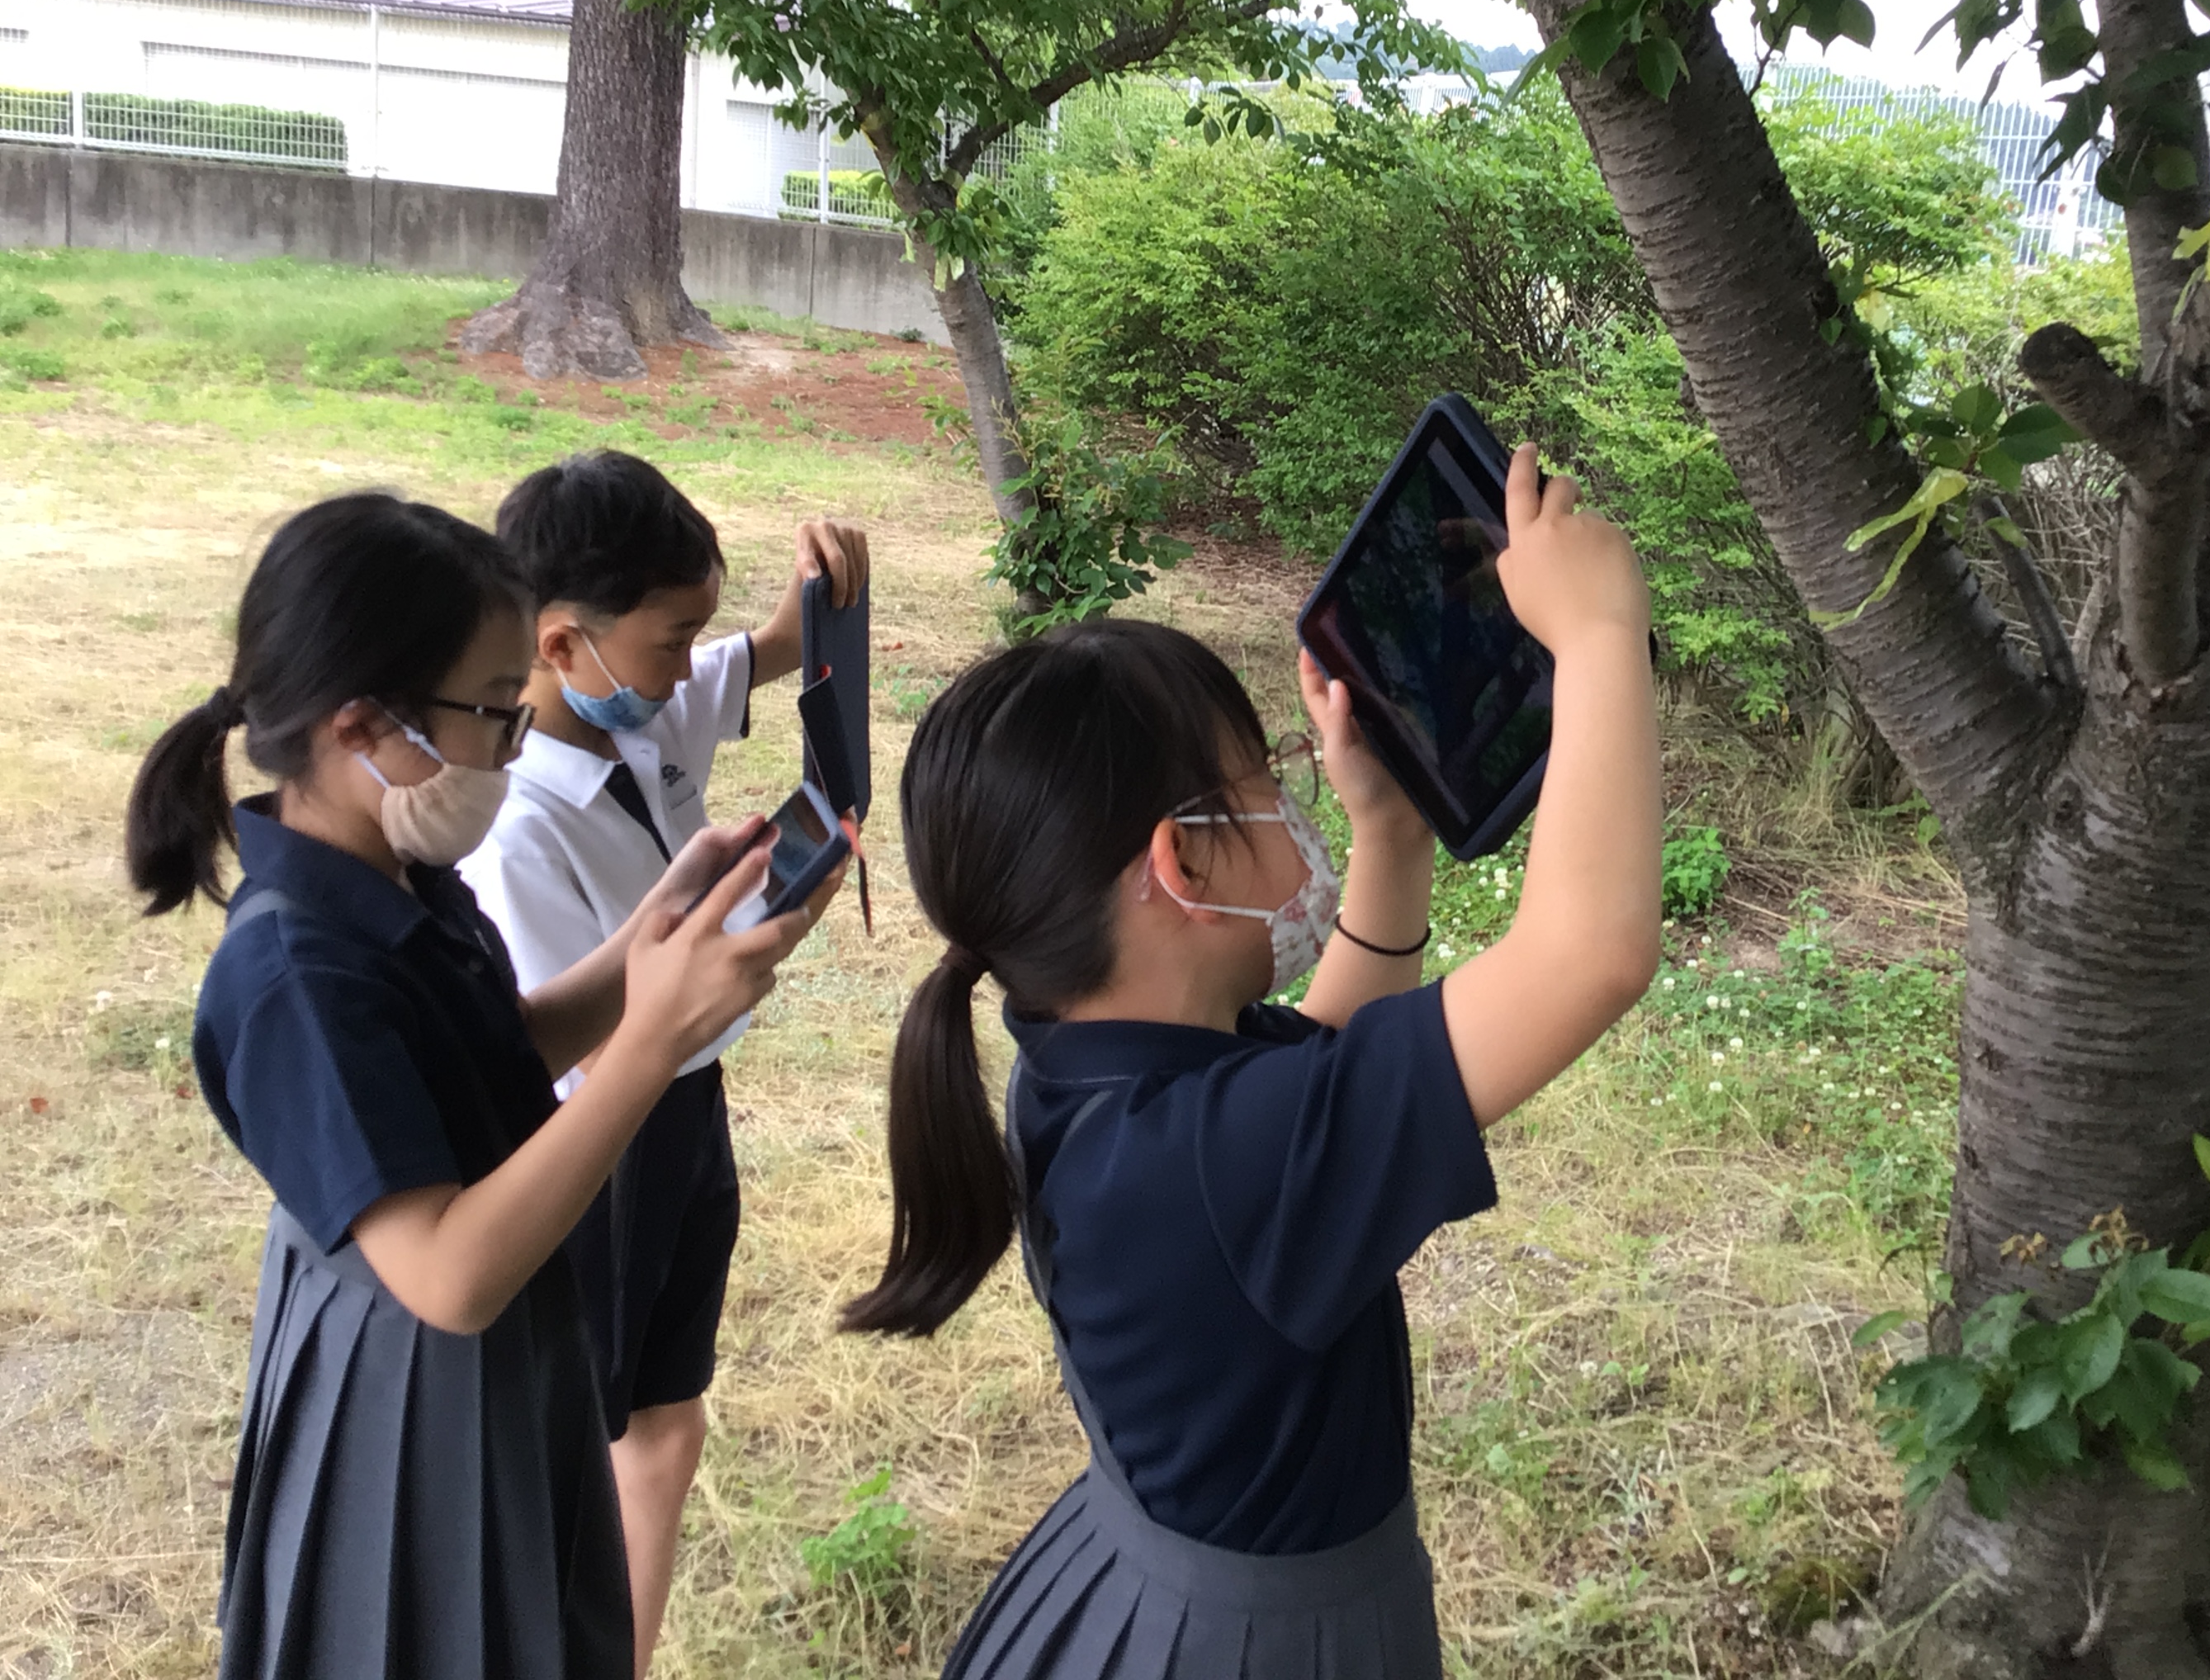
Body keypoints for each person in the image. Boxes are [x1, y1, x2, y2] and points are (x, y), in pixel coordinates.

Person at [846, 446, 1661, 1677]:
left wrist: (1386, 840)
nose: (1294, 804)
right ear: (1181, 862)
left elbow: (1317, 1080)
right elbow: (1589, 953)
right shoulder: (1222, 1160)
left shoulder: (1084, 1069)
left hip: (1134, 1587)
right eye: (1265, 784)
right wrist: (1599, 635)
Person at [125, 490, 822, 1680]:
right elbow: (447, 1274)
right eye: (497, 715)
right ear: (363, 729)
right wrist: (653, 1042)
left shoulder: (400, 874)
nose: (514, 744)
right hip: (410, 1390)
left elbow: (500, 1053)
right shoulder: (295, 972)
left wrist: (655, 933)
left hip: (497, 1362)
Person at [458, 449, 866, 1677]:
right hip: (602, 1156)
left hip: (689, 1117)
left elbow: (779, 645)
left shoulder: (637, 698)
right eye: (668, 640)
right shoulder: (514, 826)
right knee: (586, 1431)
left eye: (695, 634)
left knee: (666, 1415)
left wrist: (830, 583)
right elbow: (574, 1056)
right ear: (561, 641)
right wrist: (724, 958)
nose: (691, 666)